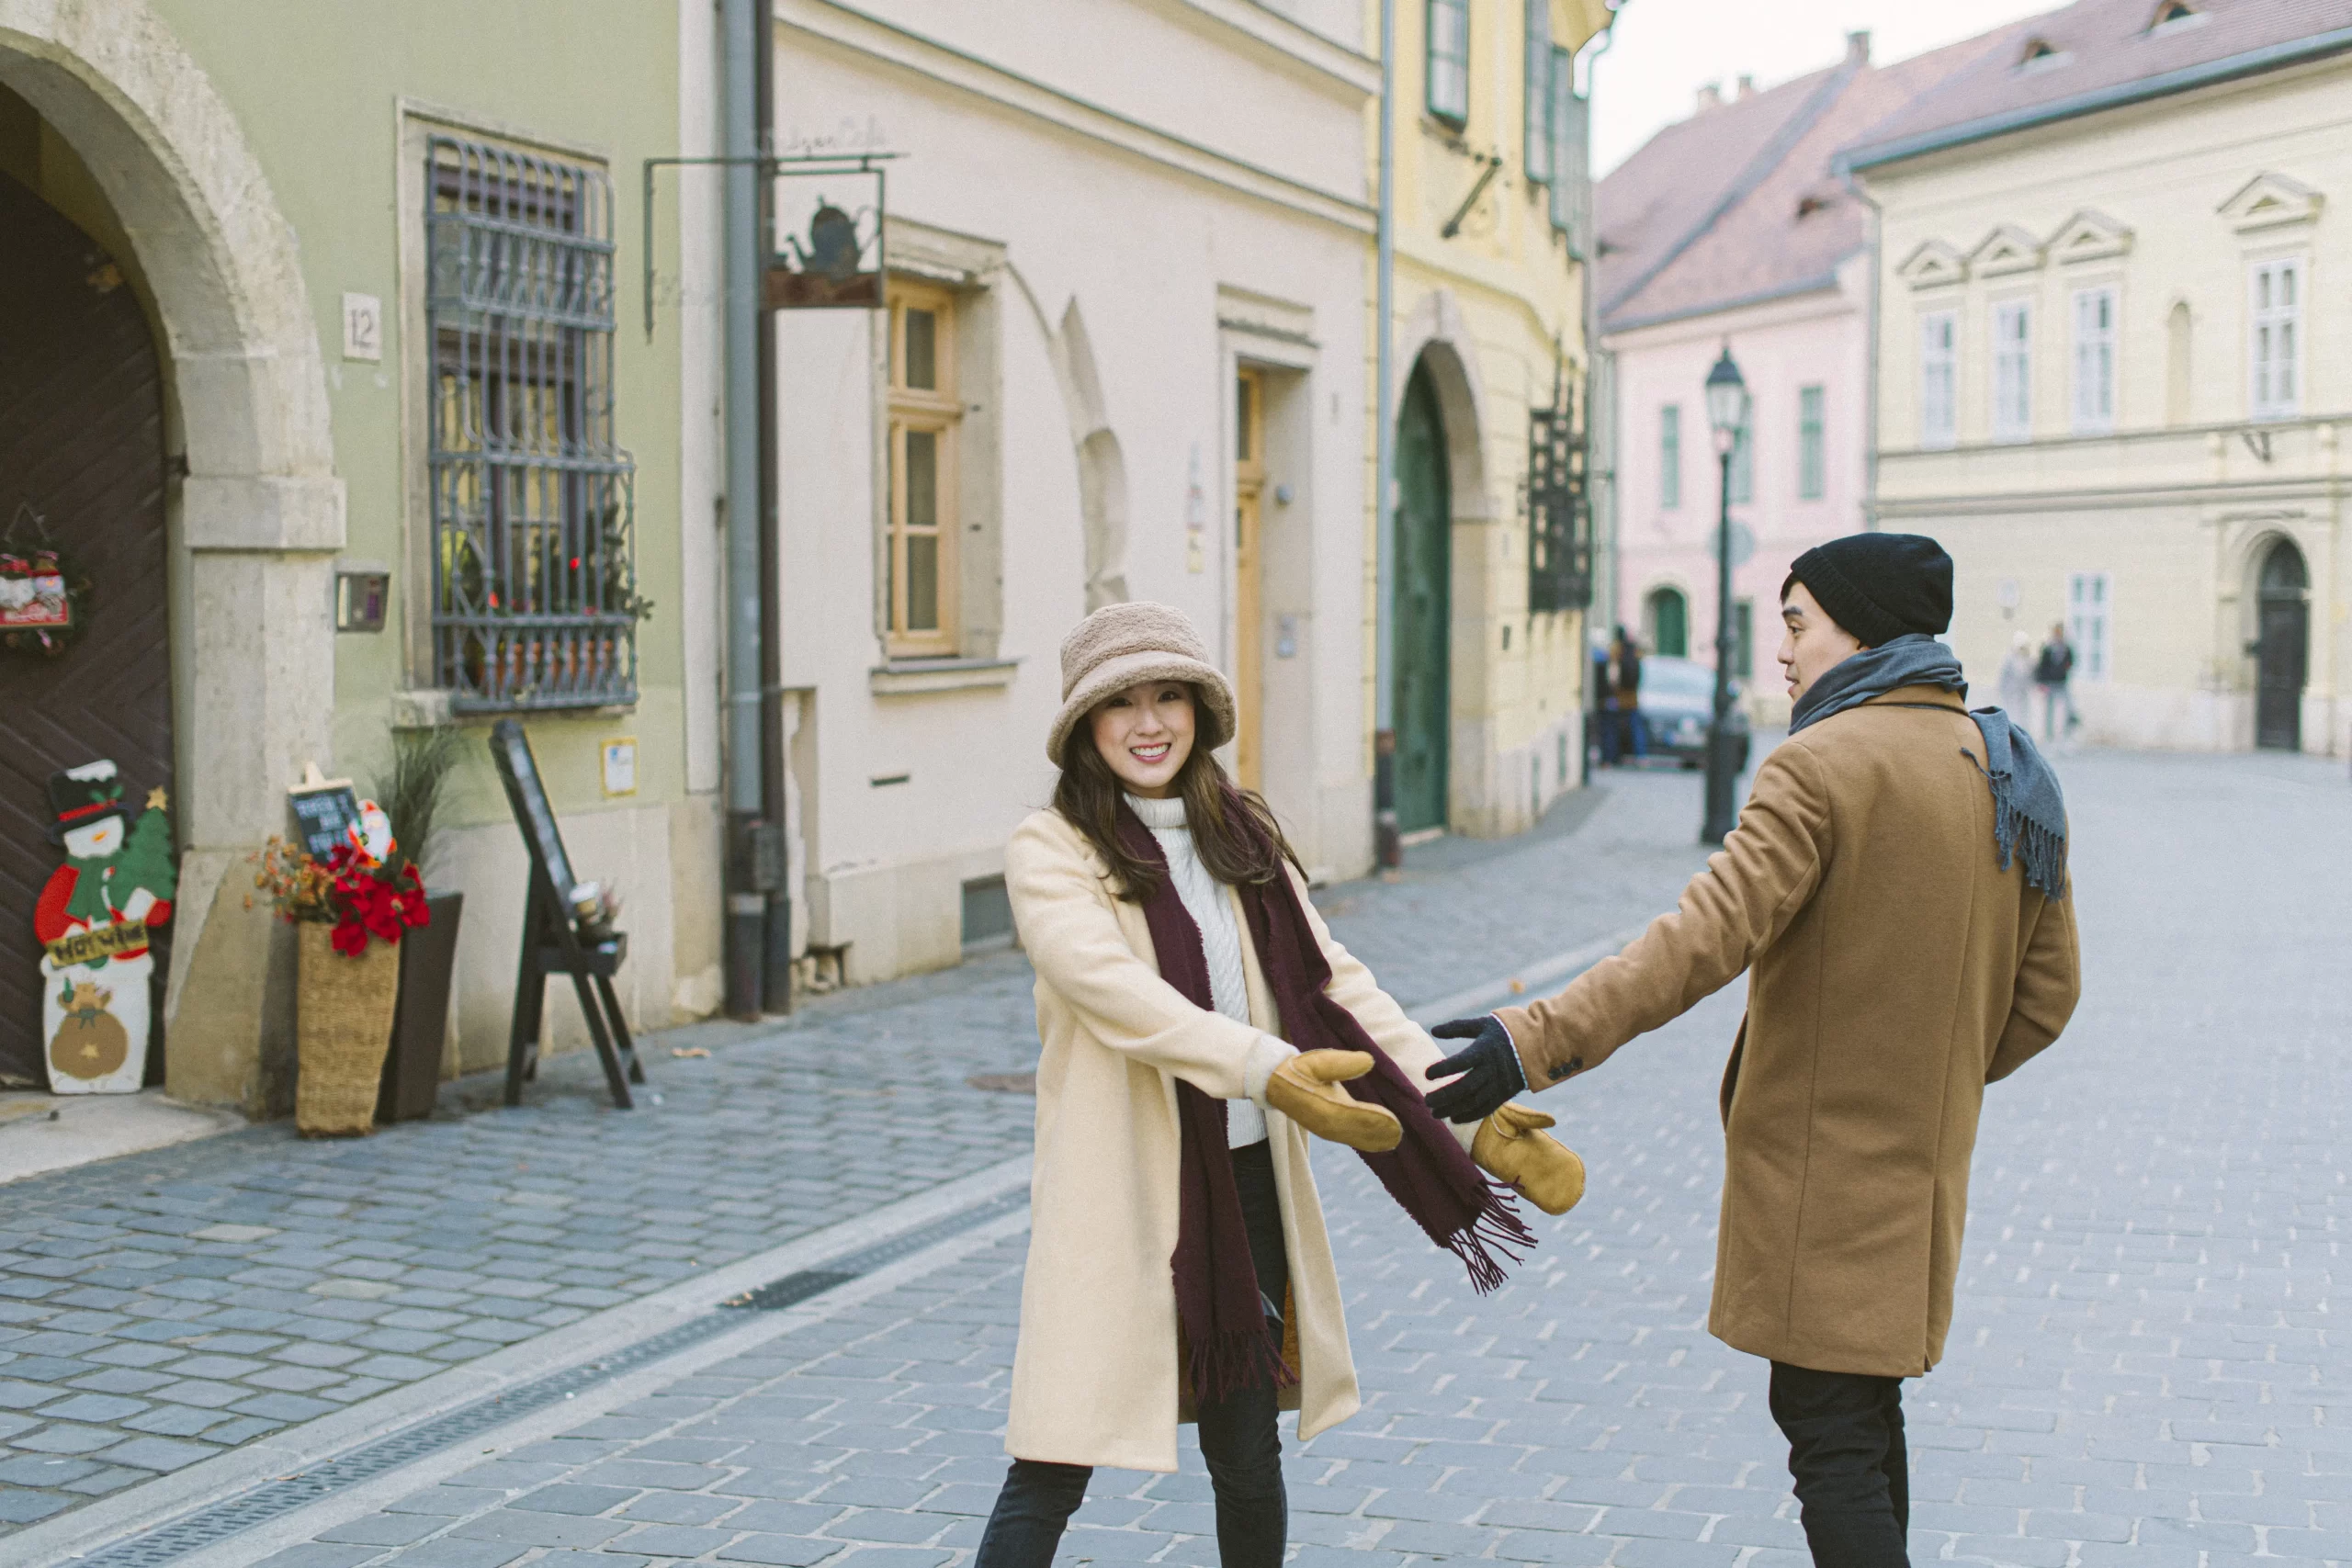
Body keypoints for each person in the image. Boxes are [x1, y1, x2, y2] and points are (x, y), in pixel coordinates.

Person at [1422, 535, 2081, 1568]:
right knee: (1862, 1416)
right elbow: (2048, 994)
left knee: (1828, 1433)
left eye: (1797, 623)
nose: (1781, 650)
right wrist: (1930, 1072)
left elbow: (1701, 937)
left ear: (1859, 631)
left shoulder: (1820, 763)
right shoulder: (2005, 766)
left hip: (1822, 1171)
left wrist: (1528, 1038)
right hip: (1922, 1168)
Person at [981, 601, 1585, 1568]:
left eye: (1169, 696)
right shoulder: (1052, 848)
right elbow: (1116, 994)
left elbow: (1335, 987)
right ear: (1085, 725)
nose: (1149, 723)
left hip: (1244, 1185)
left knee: (1247, 1458)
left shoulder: (1240, 836)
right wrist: (1270, 1068)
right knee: (1056, 1457)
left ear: (1201, 711)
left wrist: (1460, 1106)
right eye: (1121, 702)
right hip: (1122, 1191)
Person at [2034, 622, 2077, 744]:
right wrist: (2042, 682)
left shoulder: (2066, 648)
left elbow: (2071, 662)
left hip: (2062, 682)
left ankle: (2065, 734)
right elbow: (2042, 666)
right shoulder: (2048, 648)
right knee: (2049, 710)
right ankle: (2049, 735)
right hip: (2050, 683)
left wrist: (2064, 669)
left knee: (2066, 708)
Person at [1612, 625, 1645, 763]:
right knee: (1636, 728)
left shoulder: (1615, 650)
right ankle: (1641, 757)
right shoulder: (1634, 650)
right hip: (1633, 697)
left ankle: (1614, 756)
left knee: (1614, 728)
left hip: (1618, 697)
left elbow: (1612, 674)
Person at [1592, 636, 1621, 767]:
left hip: (1605, 702)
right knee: (1610, 731)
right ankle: (1611, 758)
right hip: (1613, 702)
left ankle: (1607, 759)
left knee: (1606, 731)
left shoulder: (1603, 662)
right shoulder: (1613, 662)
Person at [1997, 630, 2035, 717]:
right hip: (2010, 693)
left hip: (2023, 694)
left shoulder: (2028, 660)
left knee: (2023, 715)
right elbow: (2003, 678)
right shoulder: (2009, 660)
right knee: (2012, 714)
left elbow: (2030, 677)